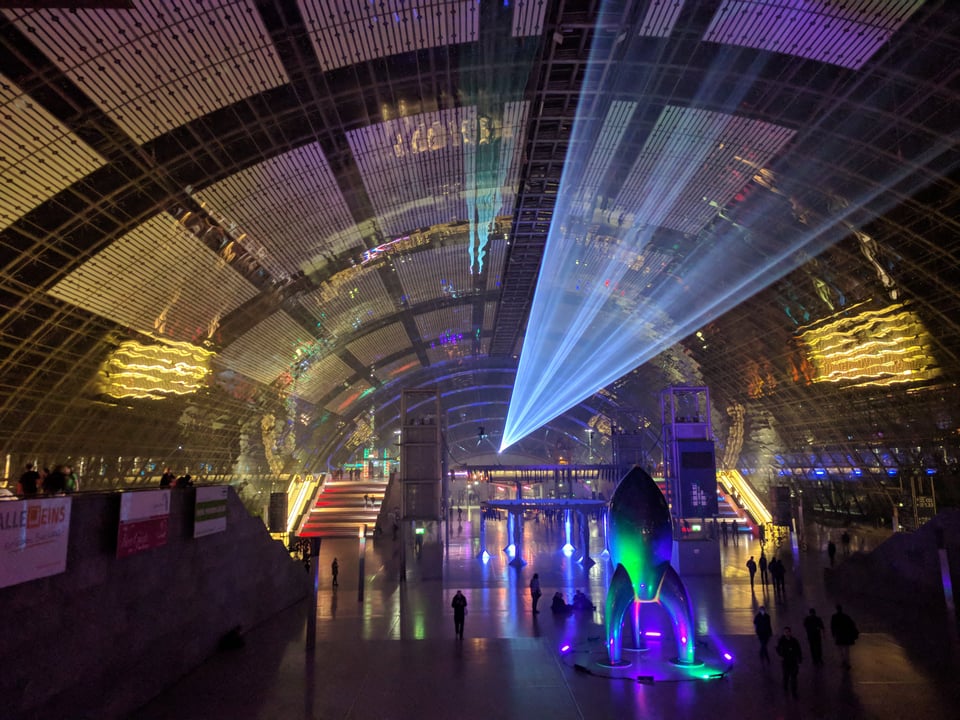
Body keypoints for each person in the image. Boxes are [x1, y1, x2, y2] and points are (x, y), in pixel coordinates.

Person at [776, 626, 803, 698]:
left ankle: (794, 692)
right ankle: (785, 686)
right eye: (785, 632)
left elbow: (798, 650)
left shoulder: (794, 641)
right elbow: (778, 649)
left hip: (793, 661)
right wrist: (781, 655)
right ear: (784, 633)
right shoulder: (781, 641)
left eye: (788, 632)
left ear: (790, 632)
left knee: (794, 677)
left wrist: (799, 659)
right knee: (786, 676)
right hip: (786, 661)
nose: (787, 633)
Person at [830, 604, 858, 669]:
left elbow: (832, 626)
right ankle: (847, 662)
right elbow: (852, 624)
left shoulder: (834, 617)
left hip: (839, 635)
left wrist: (833, 634)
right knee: (847, 650)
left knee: (840, 649)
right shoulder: (846, 616)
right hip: (846, 635)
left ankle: (843, 660)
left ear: (836, 609)